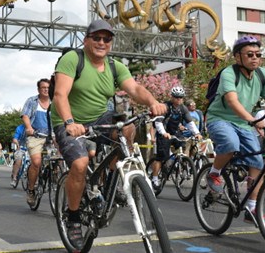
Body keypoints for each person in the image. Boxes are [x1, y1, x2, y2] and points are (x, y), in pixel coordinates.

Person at [49, 19, 168, 250]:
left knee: (126, 127)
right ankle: (73, 217)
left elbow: (134, 89)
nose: (101, 42)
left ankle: (113, 180)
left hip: (100, 117)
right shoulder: (73, 59)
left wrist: (153, 101)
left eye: (106, 39)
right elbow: (60, 95)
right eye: (97, 38)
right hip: (69, 120)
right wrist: (70, 123)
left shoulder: (115, 66)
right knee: (81, 164)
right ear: (86, 40)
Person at [206, 36, 265, 228]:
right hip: (220, 119)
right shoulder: (229, 73)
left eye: (258, 55)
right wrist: (252, 120)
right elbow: (232, 101)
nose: (255, 58)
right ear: (237, 57)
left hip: (244, 123)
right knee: (230, 144)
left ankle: (251, 209)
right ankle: (214, 173)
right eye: (249, 55)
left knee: (257, 162)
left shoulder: (263, 74)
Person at [150, 87, 203, 188]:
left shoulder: (183, 108)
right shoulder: (165, 106)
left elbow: (190, 122)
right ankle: (155, 178)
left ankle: (177, 164)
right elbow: (158, 121)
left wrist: (196, 133)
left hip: (175, 133)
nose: (179, 99)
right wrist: (163, 133)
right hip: (164, 133)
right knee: (160, 157)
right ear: (172, 97)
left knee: (182, 146)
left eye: (181, 97)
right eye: (177, 97)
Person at [21, 78, 51, 207]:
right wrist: (29, 128)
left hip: (52, 136)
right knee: (36, 162)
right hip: (36, 135)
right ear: (38, 89)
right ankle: (31, 190)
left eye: (48, 87)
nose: (46, 89)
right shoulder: (32, 101)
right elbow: (25, 115)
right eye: (43, 87)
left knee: (63, 160)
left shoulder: (55, 101)